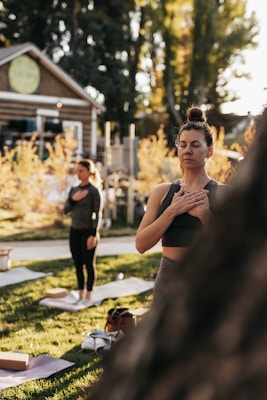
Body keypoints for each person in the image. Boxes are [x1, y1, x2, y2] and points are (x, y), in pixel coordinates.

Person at [135, 106, 224, 303]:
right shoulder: (162, 192)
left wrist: (205, 215)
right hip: (168, 279)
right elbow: (141, 244)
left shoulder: (223, 193)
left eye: (195, 145)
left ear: (209, 151)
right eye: (182, 145)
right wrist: (172, 211)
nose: (187, 151)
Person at [64, 159, 102, 305]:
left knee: (89, 264)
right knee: (78, 264)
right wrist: (74, 200)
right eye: (77, 171)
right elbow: (65, 210)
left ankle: (88, 295)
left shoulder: (94, 191)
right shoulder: (74, 190)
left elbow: (97, 214)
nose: (78, 174)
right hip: (74, 232)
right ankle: (80, 293)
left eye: (81, 171)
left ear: (89, 172)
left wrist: (93, 234)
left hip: (88, 233)